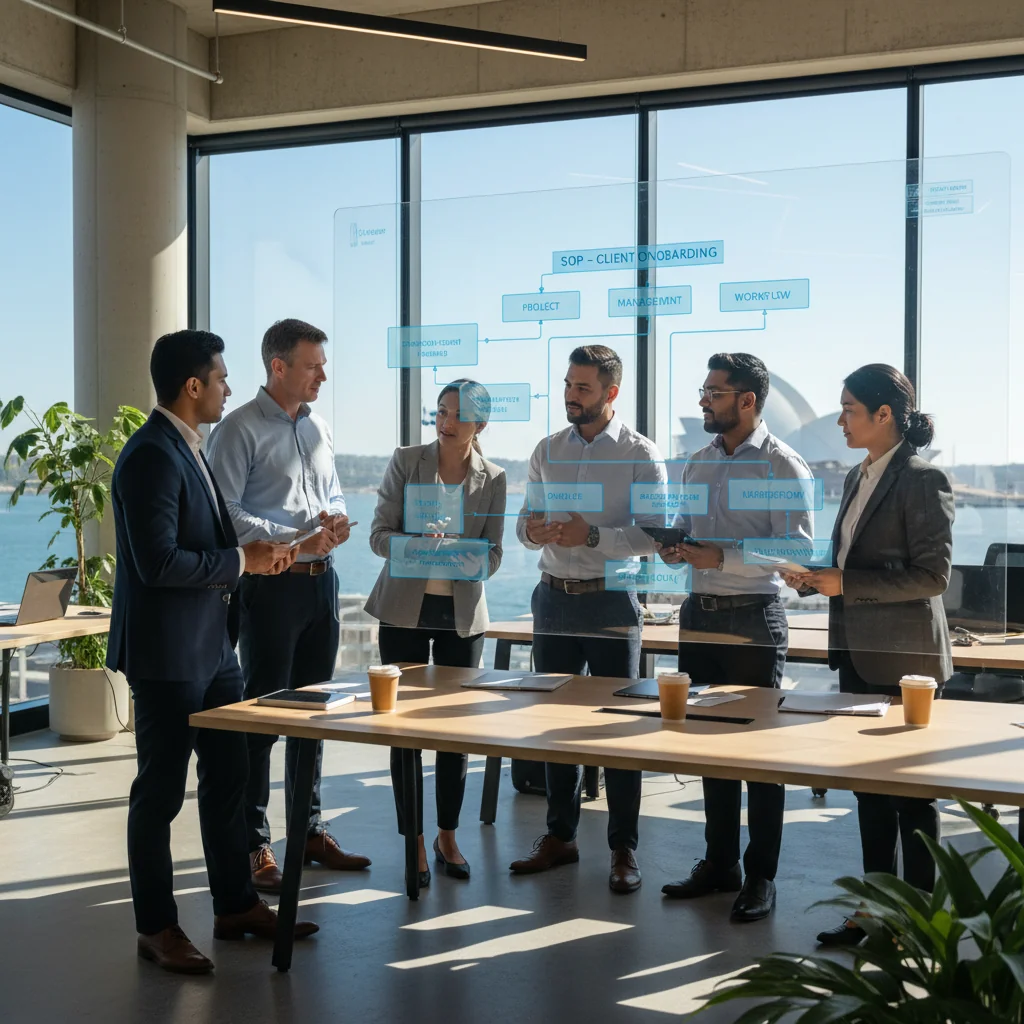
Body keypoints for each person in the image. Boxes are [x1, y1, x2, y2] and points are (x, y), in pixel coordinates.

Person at [108, 329, 318, 975]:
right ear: (193, 385)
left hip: (214, 652)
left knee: (228, 780)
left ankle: (233, 907)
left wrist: (268, 555)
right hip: (169, 656)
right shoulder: (151, 455)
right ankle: (157, 926)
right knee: (160, 794)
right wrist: (240, 560)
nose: (230, 385)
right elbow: (158, 562)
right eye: (222, 377)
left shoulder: (189, 447)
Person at [781, 364, 954, 947]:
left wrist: (844, 585)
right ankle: (874, 912)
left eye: (850, 408)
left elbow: (932, 577)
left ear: (885, 415)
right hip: (857, 654)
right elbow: (852, 565)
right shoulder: (859, 476)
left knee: (912, 800)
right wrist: (815, 581)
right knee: (871, 796)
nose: (839, 419)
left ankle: (921, 923)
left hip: (908, 666)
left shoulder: (923, 480)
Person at [207, 318, 370, 894]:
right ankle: (255, 844)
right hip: (270, 588)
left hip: (320, 585)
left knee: (312, 717)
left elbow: (333, 494)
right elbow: (224, 513)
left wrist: (335, 520)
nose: (322, 374)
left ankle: (307, 829)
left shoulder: (318, 426)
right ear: (278, 366)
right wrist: (296, 537)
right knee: (264, 722)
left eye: (322, 364)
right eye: (312, 365)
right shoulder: (236, 430)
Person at [660, 352, 814, 923]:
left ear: (747, 401)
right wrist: (675, 545)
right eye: (704, 391)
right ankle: (720, 863)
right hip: (699, 613)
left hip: (754, 619)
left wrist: (719, 554)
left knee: (759, 755)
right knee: (708, 748)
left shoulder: (782, 465)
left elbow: (797, 553)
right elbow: (689, 531)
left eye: (714, 392)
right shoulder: (697, 463)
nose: (703, 400)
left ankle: (761, 877)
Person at [509, 345, 667, 893]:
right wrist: (533, 531)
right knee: (555, 725)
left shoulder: (641, 456)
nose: (571, 397)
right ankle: (561, 836)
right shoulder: (546, 450)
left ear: (611, 393)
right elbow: (523, 524)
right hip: (552, 598)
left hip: (611, 600)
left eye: (583, 388)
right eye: (569, 386)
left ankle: (623, 848)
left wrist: (592, 535)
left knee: (616, 729)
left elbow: (655, 535)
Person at [365, 379, 506, 885]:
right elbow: (378, 535)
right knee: (404, 732)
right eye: (440, 413)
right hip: (403, 610)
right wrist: (418, 545)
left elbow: (493, 555)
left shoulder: (494, 478)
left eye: (457, 416)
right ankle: (416, 842)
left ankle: (448, 834)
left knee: (454, 733)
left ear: (479, 426)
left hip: (462, 619)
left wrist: (461, 553)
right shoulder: (407, 461)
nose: (445, 423)